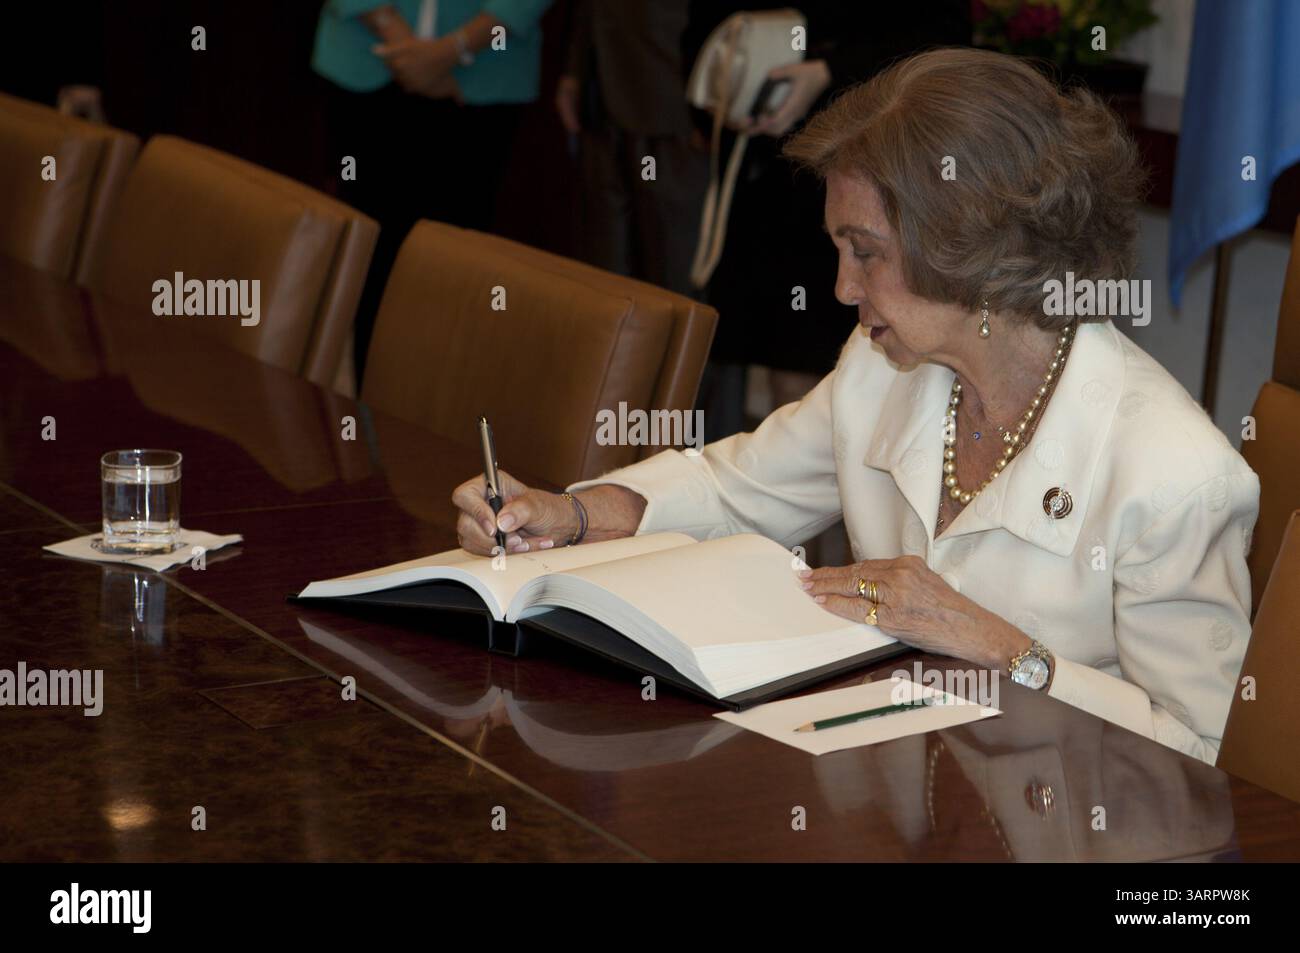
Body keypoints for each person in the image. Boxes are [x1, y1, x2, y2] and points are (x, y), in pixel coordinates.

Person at [450, 49, 1260, 766]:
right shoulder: (884, 369)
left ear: (972, 248)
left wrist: (1000, 646)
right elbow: (738, 490)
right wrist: (570, 513)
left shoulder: (1176, 477)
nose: (842, 289)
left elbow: (1204, 750)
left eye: (864, 252)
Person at [312, 0, 552, 383]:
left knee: (456, 269)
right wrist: (401, 40)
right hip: (365, 56)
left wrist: (451, 49)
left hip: (486, 71)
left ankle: (434, 417)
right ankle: (367, 415)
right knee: (371, 257)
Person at [555, 0, 707, 296]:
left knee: (675, 273)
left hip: (676, 103)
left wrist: (708, 111)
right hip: (599, 95)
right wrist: (574, 69)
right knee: (602, 268)